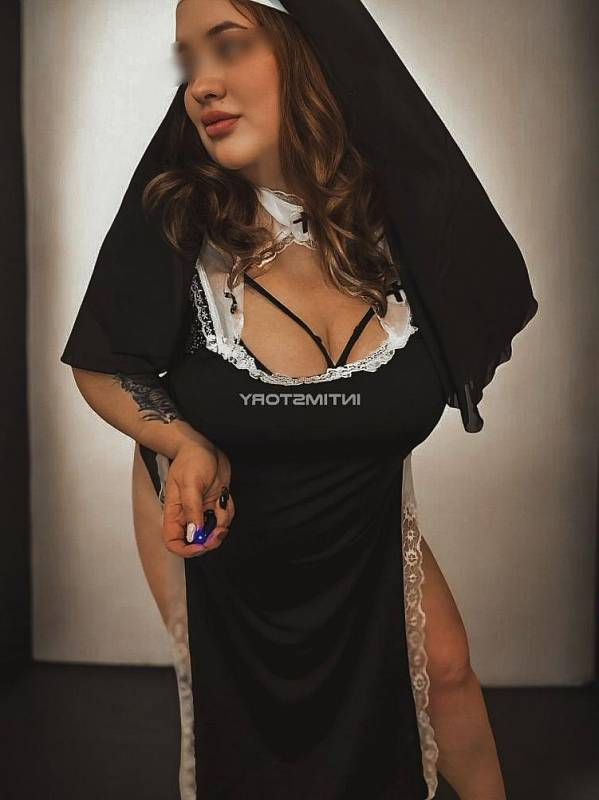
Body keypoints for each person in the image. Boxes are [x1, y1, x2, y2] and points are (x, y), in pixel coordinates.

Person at [60, 1, 538, 798]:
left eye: (228, 47)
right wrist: (182, 442)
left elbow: (487, 276)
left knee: (446, 671)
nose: (199, 85)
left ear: (306, 53)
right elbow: (103, 364)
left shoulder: (395, 229)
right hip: (216, 519)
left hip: (358, 513)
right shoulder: (176, 219)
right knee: (251, 727)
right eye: (188, 61)